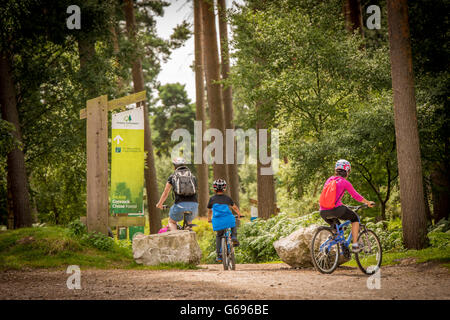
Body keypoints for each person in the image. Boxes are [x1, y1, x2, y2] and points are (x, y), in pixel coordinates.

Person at [319, 159, 375, 253]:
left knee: (338, 228)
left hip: (323, 211)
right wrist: (367, 202)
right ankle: (355, 245)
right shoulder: (344, 182)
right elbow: (355, 196)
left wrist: (341, 205)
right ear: (347, 171)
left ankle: (332, 244)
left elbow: (330, 198)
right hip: (336, 210)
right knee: (355, 218)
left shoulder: (329, 180)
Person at [156, 157, 198, 231]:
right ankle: (189, 229)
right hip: (194, 205)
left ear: (174, 167)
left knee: (172, 222)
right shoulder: (192, 176)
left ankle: (176, 237)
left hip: (180, 205)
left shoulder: (173, 177)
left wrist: (159, 204)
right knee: (189, 222)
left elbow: (166, 192)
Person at [207, 179, 241, 262]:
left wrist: (209, 219)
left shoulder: (212, 199)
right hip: (228, 219)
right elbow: (234, 207)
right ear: (224, 188)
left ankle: (219, 255)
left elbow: (210, 211)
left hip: (217, 221)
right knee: (233, 224)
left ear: (214, 189)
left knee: (219, 236)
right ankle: (233, 237)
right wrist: (239, 214)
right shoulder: (227, 198)